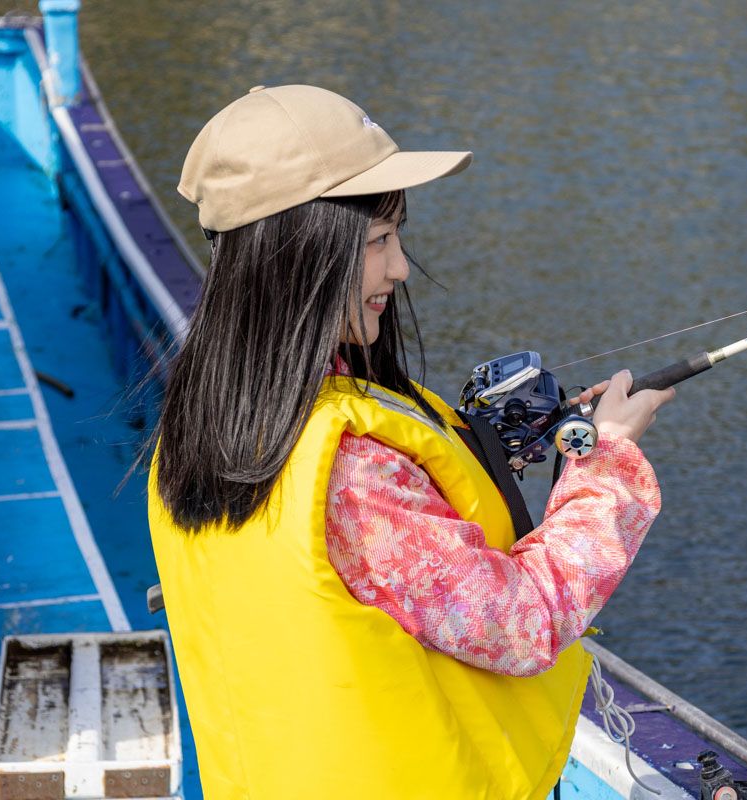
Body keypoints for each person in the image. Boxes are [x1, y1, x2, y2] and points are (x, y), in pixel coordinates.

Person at [147, 84, 675, 799]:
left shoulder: (208, 425)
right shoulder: (350, 470)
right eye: (376, 243)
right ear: (298, 255)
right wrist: (604, 460)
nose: (399, 268)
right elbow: (519, 624)